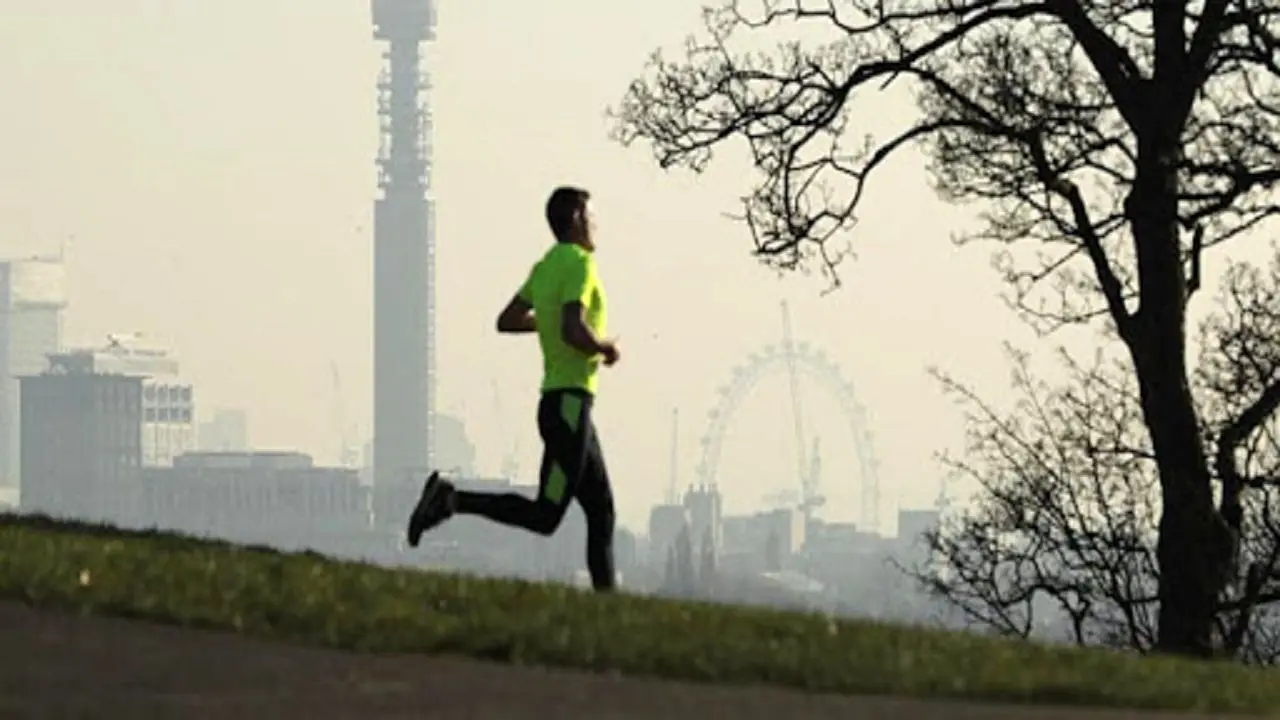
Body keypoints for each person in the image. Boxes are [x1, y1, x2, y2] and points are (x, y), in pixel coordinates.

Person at [406, 186, 622, 592]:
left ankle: (608, 608)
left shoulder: (545, 266)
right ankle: (451, 500)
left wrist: (547, 321)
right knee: (545, 515)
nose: (596, 225)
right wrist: (603, 347)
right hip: (569, 407)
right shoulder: (580, 263)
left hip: (567, 407)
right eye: (591, 216)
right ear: (577, 219)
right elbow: (573, 328)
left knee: (602, 511)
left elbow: (508, 319)